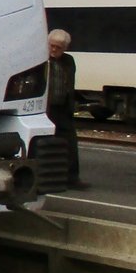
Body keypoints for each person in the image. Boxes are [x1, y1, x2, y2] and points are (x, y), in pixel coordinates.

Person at [47, 29, 88, 189]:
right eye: (52, 46)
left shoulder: (68, 61)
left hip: (63, 108)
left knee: (70, 143)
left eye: (59, 47)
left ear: (65, 48)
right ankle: (48, 178)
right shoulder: (42, 60)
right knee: (47, 143)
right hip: (47, 109)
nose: (55, 50)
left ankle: (72, 178)